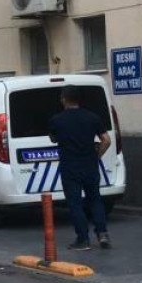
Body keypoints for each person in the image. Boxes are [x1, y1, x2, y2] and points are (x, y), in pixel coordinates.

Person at [48, 85, 112, 251]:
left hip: (70, 166)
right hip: (90, 165)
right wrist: (97, 156)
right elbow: (106, 140)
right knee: (95, 199)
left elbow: (53, 138)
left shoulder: (57, 120)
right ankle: (103, 234)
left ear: (63, 99)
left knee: (75, 203)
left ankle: (83, 239)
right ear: (79, 100)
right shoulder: (92, 117)